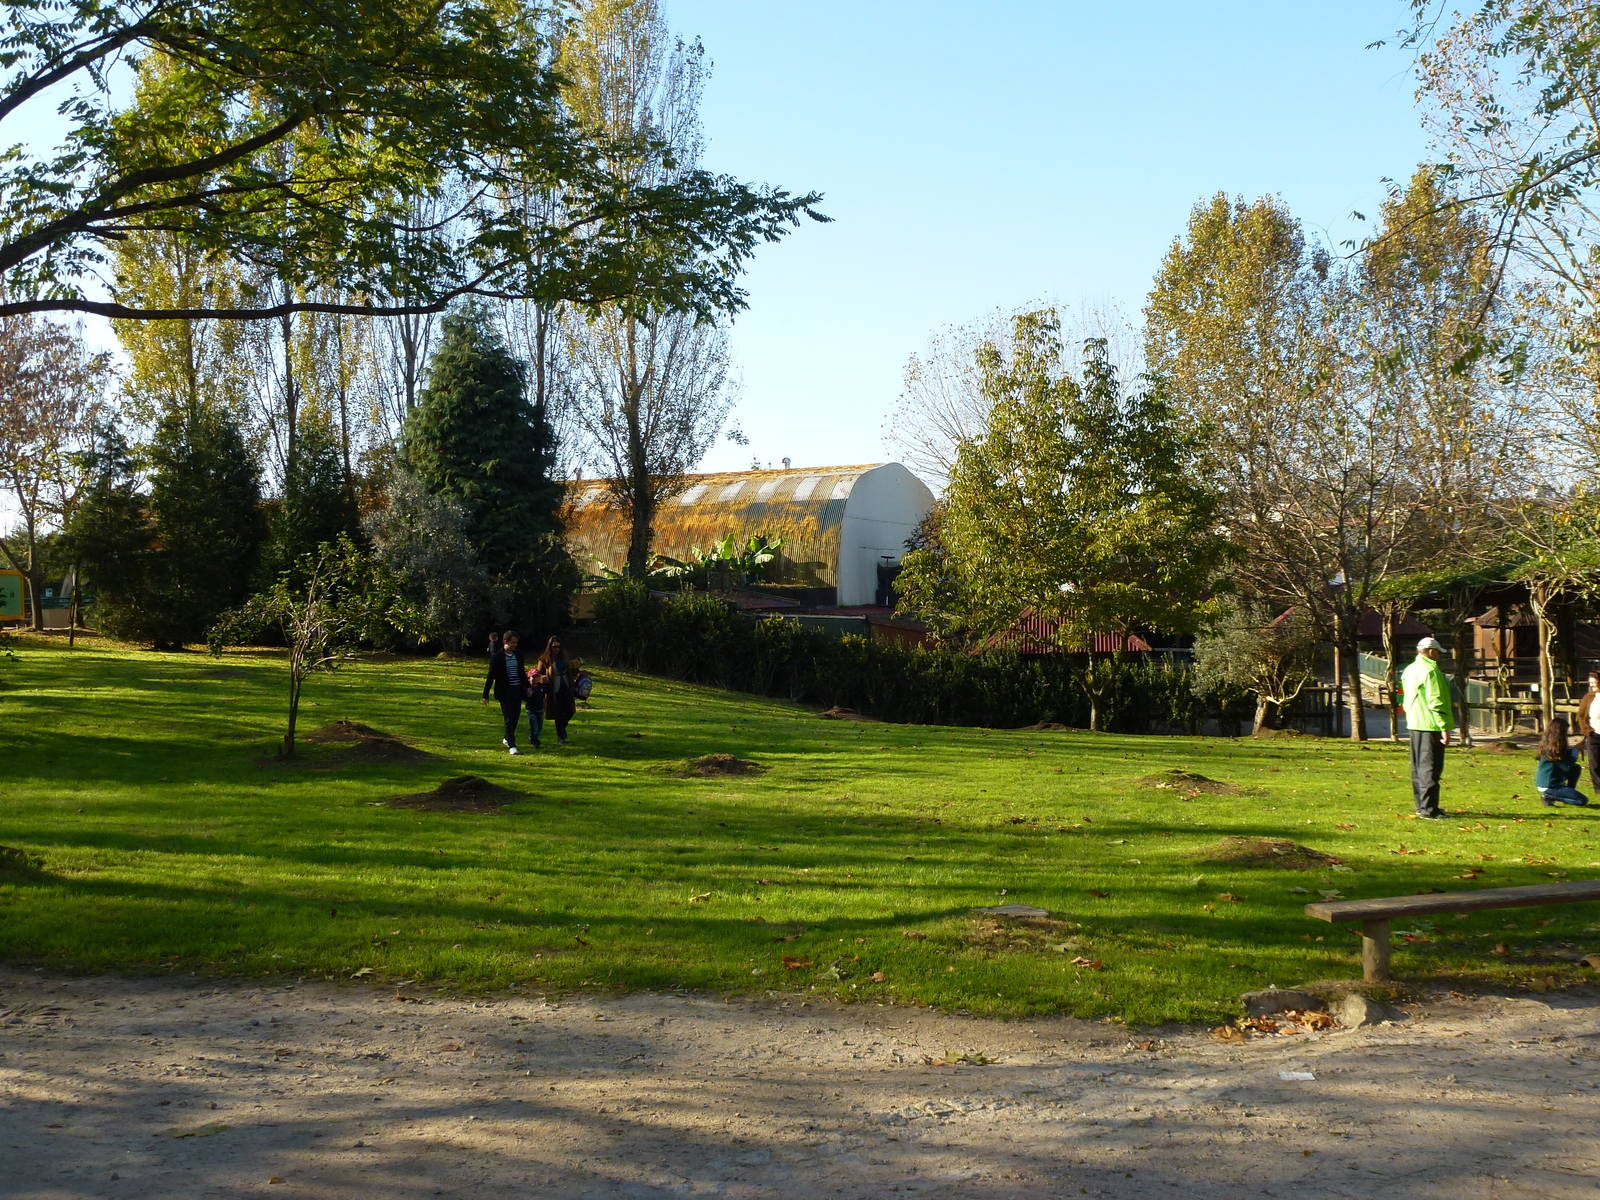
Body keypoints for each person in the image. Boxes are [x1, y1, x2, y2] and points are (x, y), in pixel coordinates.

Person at [1402, 635, 1455, 819]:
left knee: (1418, 768)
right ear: (1430, 651)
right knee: (1430, 768)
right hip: (1430, 724)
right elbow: (1436, 701)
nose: (1439, 656)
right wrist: (1444, 727)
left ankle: (1421, 806)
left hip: (1415, 722)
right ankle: (1429, 809)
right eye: (1438, 652)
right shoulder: (1431, 671)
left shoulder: (1409, 669)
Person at [482, 630, 530, 755]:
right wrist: (485, 694)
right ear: (505, 642)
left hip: (517, 690)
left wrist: (528, 687)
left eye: (516, 643)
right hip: (504, 692)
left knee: (515, 717)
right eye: (512, 642)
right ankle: (512, 746)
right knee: (508, 718)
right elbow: (490, 676)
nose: (514, 645)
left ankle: (506, 738)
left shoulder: (518, 655)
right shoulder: (497, 657)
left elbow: (522, 673)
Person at [1535, 715, 1590, 807]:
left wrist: (1576, 748)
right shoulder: (1552, 749)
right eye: (1565, 733)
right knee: (1582, 800)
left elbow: (1567, 760)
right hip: (1550, 786)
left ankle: (1566, 792)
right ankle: (1549, 796)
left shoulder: (1550, 746)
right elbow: (1566, 765)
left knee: (1576, 768)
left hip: (1552, 784)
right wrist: (1576, 750)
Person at [536, 634, 580, 746]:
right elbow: (537, 674)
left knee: (570, 712)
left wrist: (576, 668)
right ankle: (561, 737)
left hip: (567, 688)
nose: (557, 649)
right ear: (550, 647)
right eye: (554, 646)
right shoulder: (544, 659)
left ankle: (561, 730)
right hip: (553, 691)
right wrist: (542, 679)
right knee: (558, 713)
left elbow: (572, 672)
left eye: (559, 647)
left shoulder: (565, 657)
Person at [1576, 670, 1600, 792]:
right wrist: (1587, 730)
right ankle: (1598, 789)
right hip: (1594, 734)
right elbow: (1580, 715)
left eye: (1594, 682)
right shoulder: (1588, 697)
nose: (1592, 685)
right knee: (1594, 763)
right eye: (1590, 683)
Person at [524, 660, 548, 750]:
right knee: (535, 728)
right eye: (533, 677)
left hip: (540, 710)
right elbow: (524, 697)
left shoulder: (541, 687)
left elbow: (544, 698)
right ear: (529, 678)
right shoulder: (528, 688)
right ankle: (535, 743)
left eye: (537, 677)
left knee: (540, 728)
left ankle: (532, 738)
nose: (535, 679)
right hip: (531, 710)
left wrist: (545, 708)